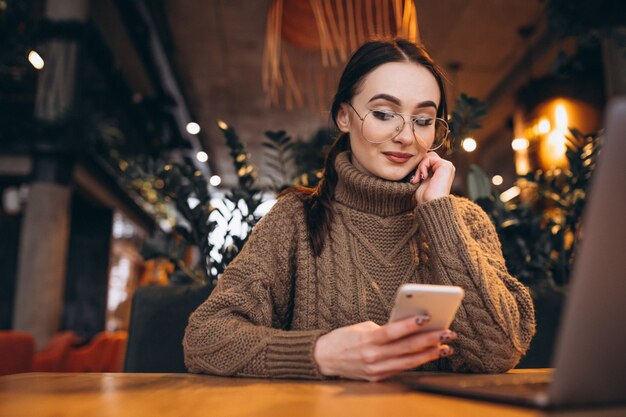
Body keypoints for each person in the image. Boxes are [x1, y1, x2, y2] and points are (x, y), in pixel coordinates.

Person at [183, 38, 535, 382]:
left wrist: (440, 214)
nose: (406, 136)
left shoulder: (464, 221)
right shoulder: (296, 219)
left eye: (424, 120)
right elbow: (205, 338)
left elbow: (501, 350)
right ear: (343, 116)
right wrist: (321, 353)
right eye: (383, 114)